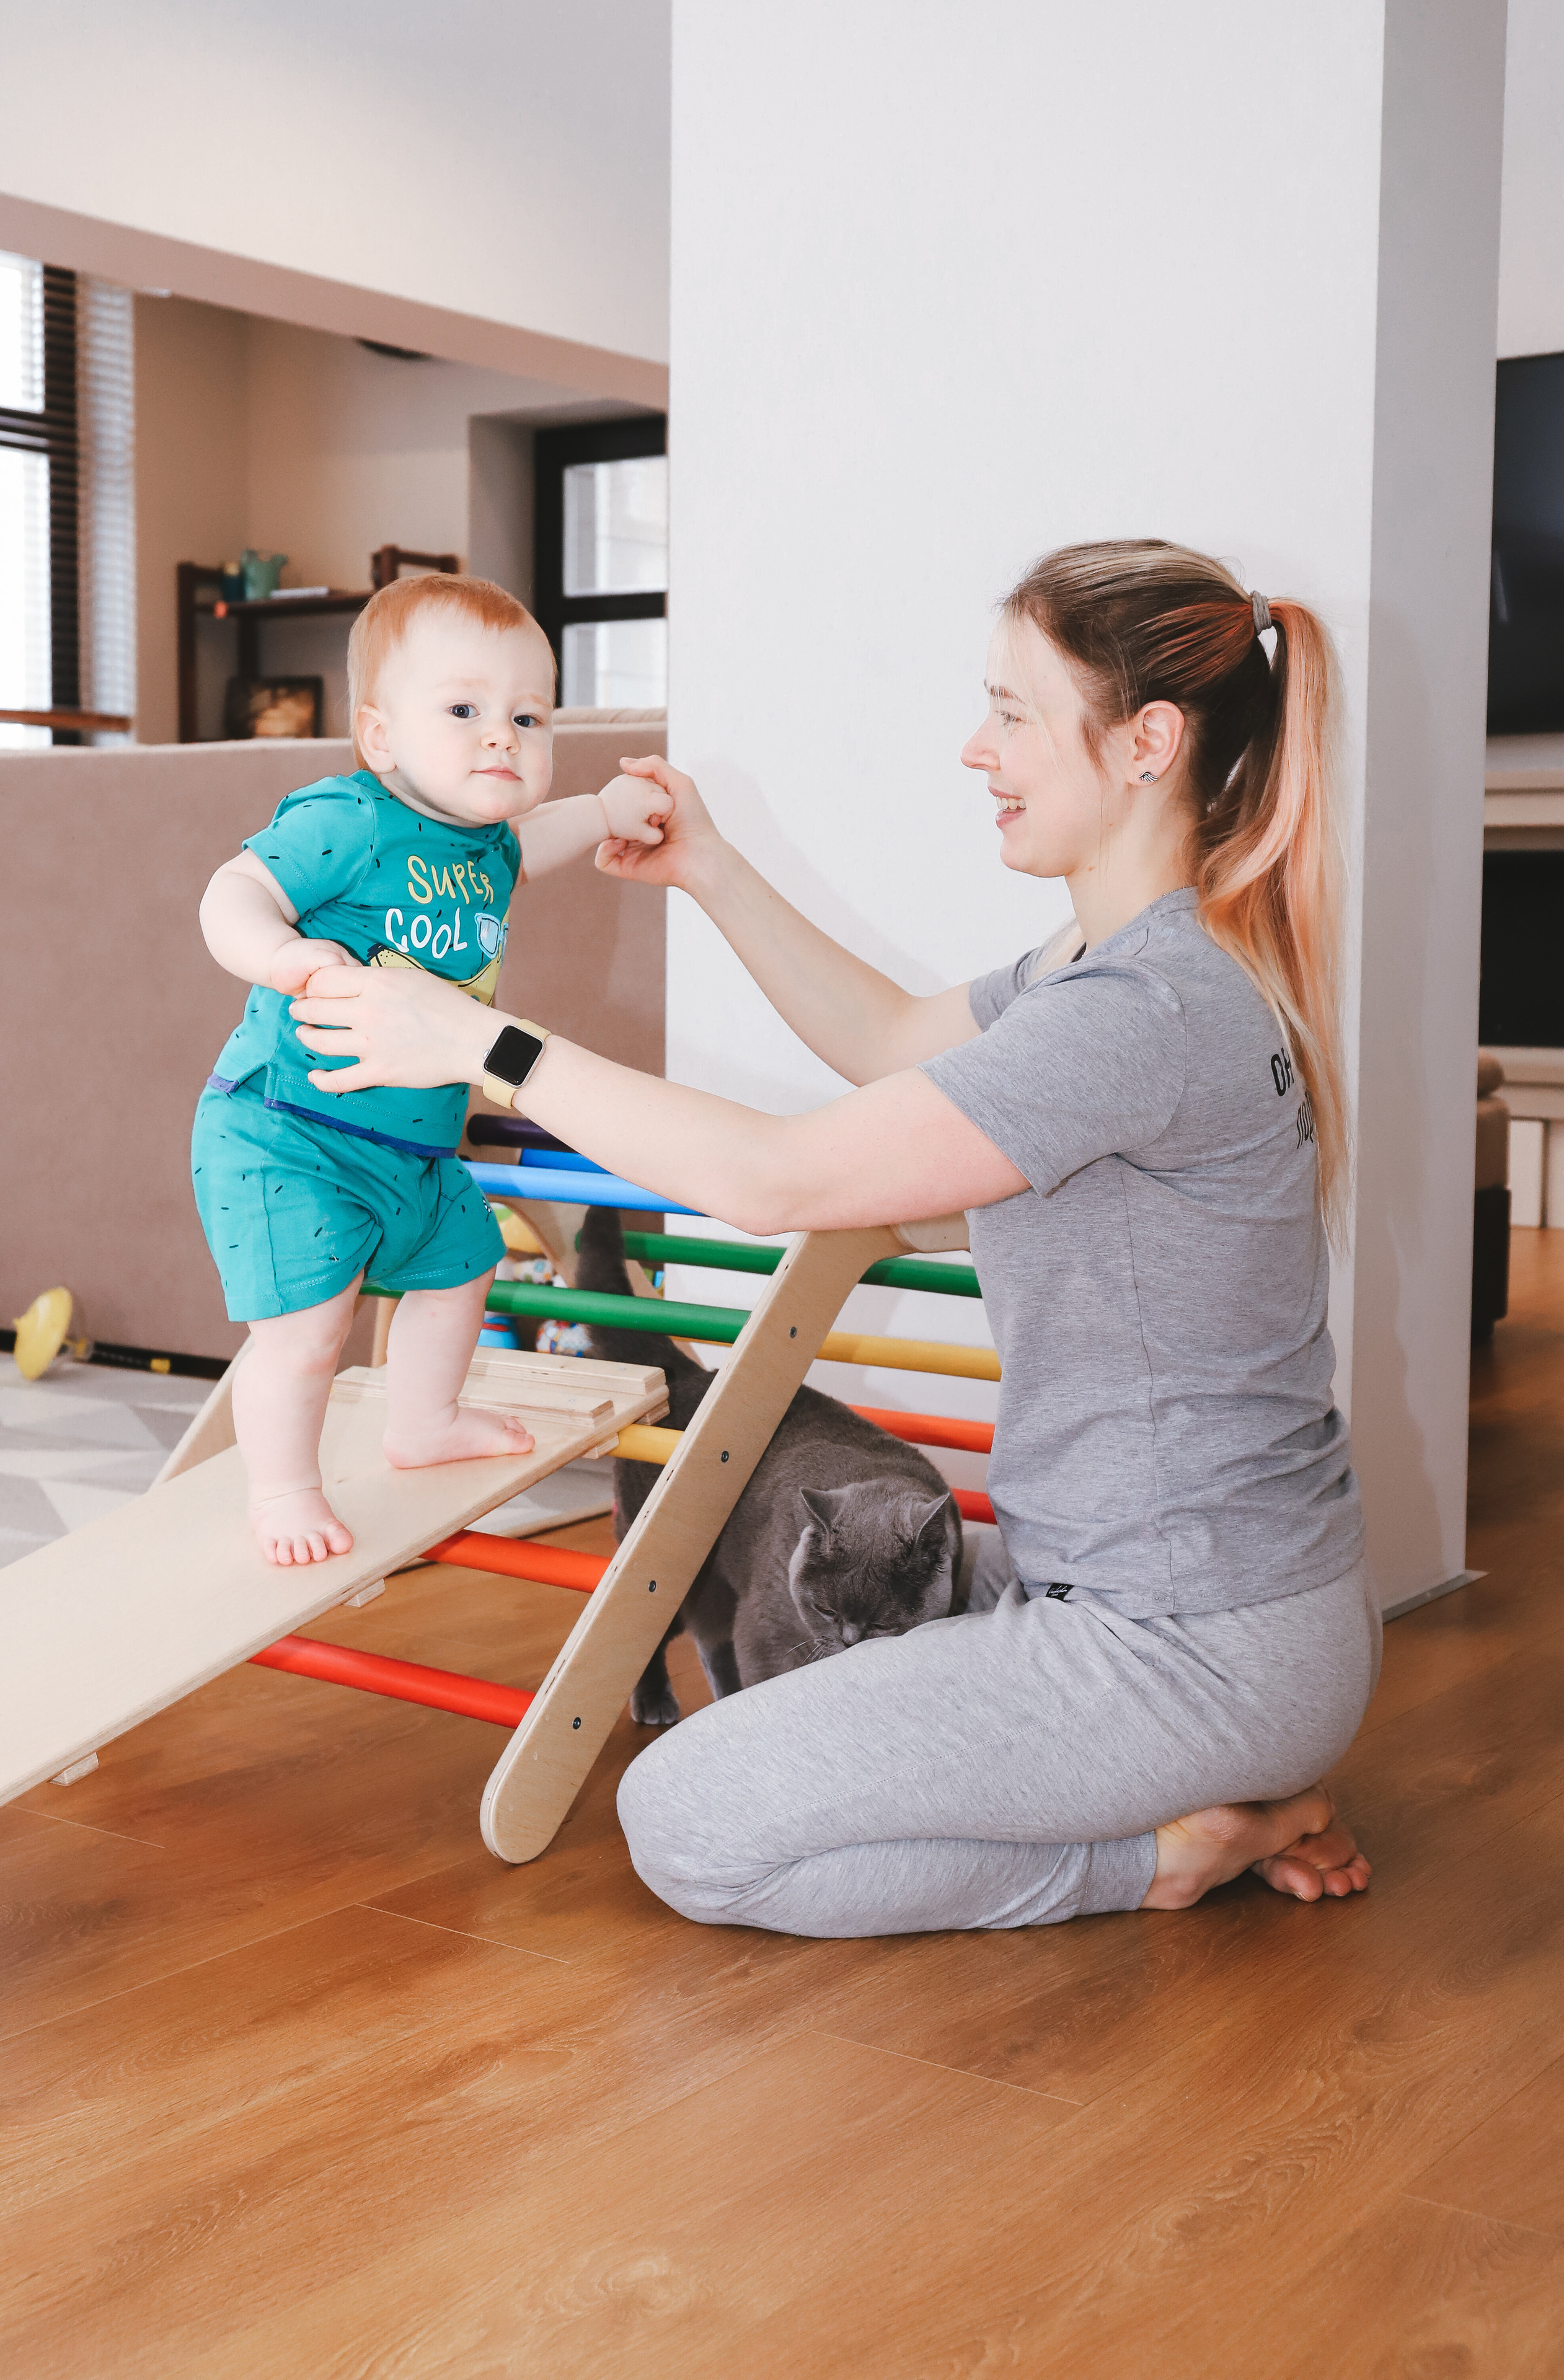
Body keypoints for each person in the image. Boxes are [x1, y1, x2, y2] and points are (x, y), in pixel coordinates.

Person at [284, 539, 1377, 1925]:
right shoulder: (1112, 968)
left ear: (1147, 743)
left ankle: (1169, 1853)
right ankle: (1217, 1780)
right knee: (829, 1641)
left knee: (686, 1822)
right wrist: (711, 871)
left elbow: (775, 1179)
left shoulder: (1135, 1013)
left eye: (1012, 713)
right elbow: (888, 1036)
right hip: (1184, 1601)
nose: (976, 749)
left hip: (1188, 1641)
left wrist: (476, 1042)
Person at [193, 574, 672, 1566]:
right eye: (464, 711)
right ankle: (282, 1490)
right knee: (307, 1335)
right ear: (380, 737)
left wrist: (606, 808)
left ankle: (425, 1421)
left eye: (528, 717)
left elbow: (535, 843)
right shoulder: (350, 818)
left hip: (412, 1144)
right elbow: (230, 892)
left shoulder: (487, 846)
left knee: (463, 1265)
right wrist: (283, 954)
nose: (502, 737)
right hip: (290, 1131)